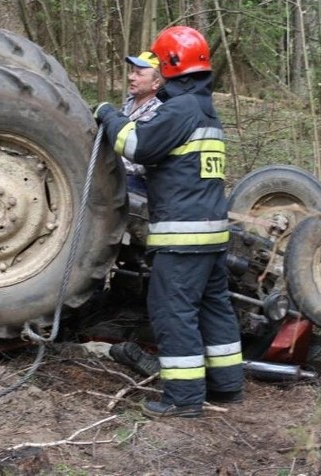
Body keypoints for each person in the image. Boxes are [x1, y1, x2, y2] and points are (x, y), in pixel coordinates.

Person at [95, 26, 244, 418]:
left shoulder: (180, 110)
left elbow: (137, 145)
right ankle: (227, 386)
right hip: (212, 234)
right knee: (214, 309)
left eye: (160, 63)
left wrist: (108, 115)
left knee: (172, 311)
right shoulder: (207, 110)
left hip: (183, 237)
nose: (155, 69)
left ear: (173, 65)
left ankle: (183, 398)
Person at [121, 51, 162, 195]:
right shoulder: (128, 103)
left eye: (139, 74)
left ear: (156, 83)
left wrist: (107, 165)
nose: (131, 77)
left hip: (138, 183)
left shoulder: (158, 113)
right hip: (117, 174)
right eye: (132, 72)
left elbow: (142, 163)